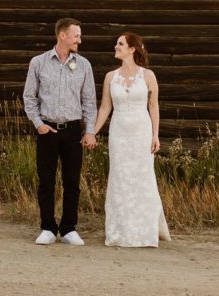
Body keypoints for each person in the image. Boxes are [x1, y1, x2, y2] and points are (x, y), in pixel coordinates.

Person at [23, 17, 97, 246]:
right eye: (76, 36)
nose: (79, 40)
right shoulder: (39, 62)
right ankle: (47, 227)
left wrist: (90, 131)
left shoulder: (84, 65)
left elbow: (89, 101)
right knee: (46, 180)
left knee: (72, 181)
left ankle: (68, 229)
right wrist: (38, 124)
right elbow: (29, 96)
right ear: (62, 36)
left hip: (73, 130)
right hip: (48, 130)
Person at [93, 32, 170, 247]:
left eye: (120, 44)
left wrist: (155, 135)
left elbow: (153, 106)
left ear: (132, 49)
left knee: (142, 177)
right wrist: (93, 132)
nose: (115, 46)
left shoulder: (148, 75)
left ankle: (144, 232)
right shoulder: (111, 76)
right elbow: (105, 107)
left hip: (141, 132)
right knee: (120, 177)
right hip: (119, 133)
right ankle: (119, 232)